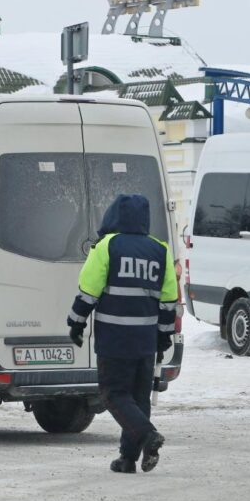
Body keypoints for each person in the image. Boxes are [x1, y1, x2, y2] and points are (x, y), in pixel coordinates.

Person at [67, 194, 178, 474]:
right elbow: (168, 302)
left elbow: (88, 291)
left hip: (114, 338)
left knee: (113, 393)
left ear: (114, 216)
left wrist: (76, 323)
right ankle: (127, 459)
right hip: (145, 341)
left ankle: (148, 434)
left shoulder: (107, 246)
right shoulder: (160, 250)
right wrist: (164, 337)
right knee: (138, 398)